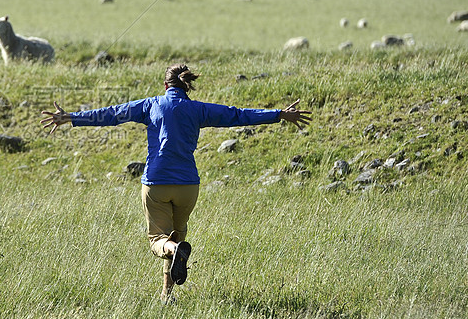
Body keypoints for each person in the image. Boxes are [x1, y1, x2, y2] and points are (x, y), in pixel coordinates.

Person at [41, 63, 311, 304]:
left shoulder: (151, 104)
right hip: (187, 187)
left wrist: (71, 117)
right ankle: (166, 295)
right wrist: (278, 115)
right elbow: (237, 115)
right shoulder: (199, 109)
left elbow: (112, 114)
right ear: (186, 86)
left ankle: (172, 252)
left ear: (165, 84)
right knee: (178, 235)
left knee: (159, 240)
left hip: (156, 183)